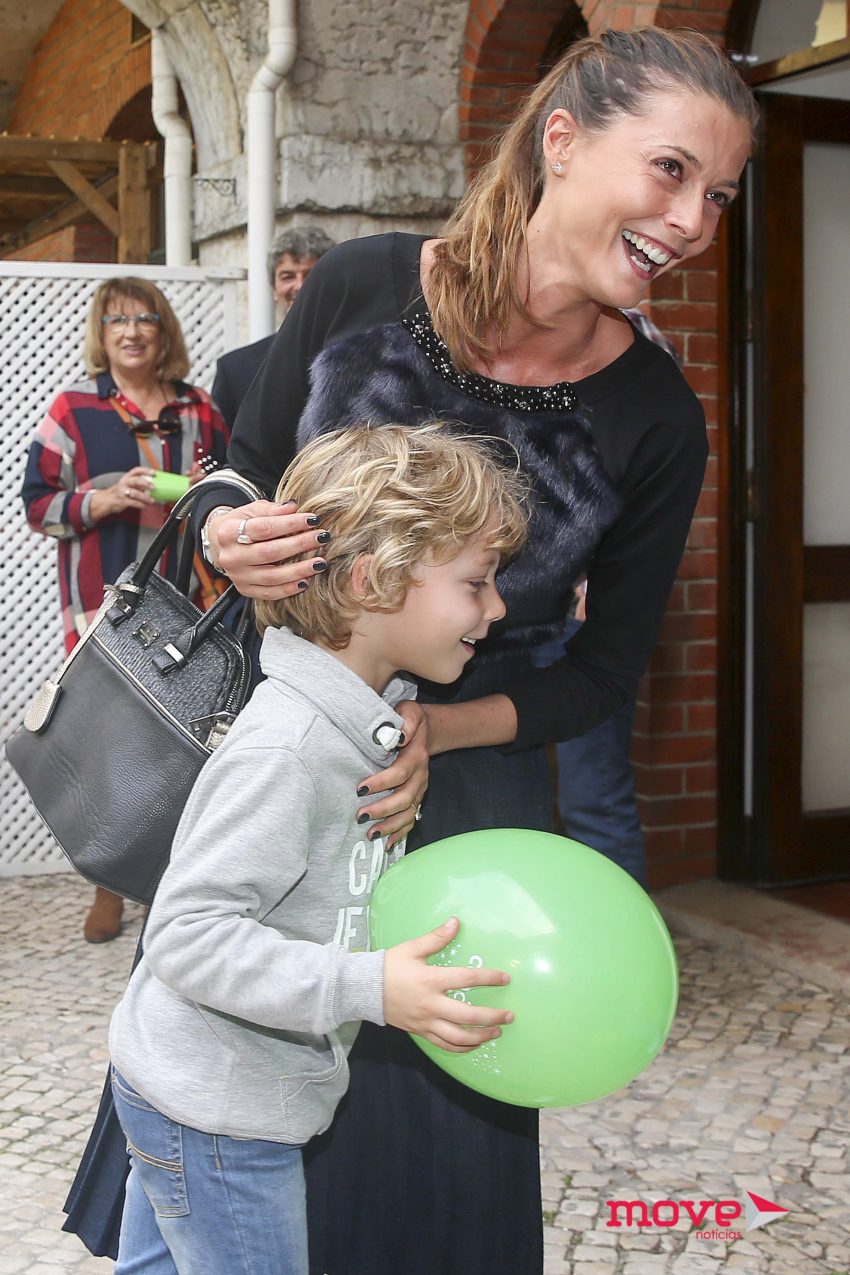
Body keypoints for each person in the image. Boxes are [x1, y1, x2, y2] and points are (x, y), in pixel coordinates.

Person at [64, 27, 758, 1273]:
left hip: (462, 793)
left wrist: (436, 728)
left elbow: (605, 673)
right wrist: (233, 534)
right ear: (561, 140)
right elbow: (233, 471)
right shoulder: (363, 283)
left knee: (431, 1135)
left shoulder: (657, 415)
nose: (695, 218)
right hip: (281, 732)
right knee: (236, 1074)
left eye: (716, 194)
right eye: (668, 171)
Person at [107, 422, 526, 1273]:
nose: (498, 607)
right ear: (374, 584)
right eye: (477, 583)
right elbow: (186, 935)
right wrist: (370, 984)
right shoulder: (289, 748)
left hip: (201, 1091)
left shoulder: (363, 719)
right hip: (219, 1114)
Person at [22, 278, 229, 944]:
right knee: (109, 746)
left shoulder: (199, 408)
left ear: (163, 330)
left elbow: (227, 487)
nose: (132, 330)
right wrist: (105, 499)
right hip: (104, 608)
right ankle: (106, 883)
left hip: (191, 603)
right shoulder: (74, 409)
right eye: (118, 320)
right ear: (101, 333)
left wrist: (205, 494)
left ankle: (167, 886)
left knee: (186, 744)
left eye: (144, 318)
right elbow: (38, 505)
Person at [534, 309, 681, 885]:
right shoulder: (515, 324)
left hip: (578, 612)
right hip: (489, 611)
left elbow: (646, 481)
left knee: (592, 797)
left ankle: (623, 965)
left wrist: (599, 588)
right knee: (502, 790)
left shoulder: (641, 342)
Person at [212, 227, 335, 429]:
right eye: (287, 276)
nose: (300, 286)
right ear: (274, 290)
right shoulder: (235, 370)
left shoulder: (364, 359)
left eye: (311, 275)